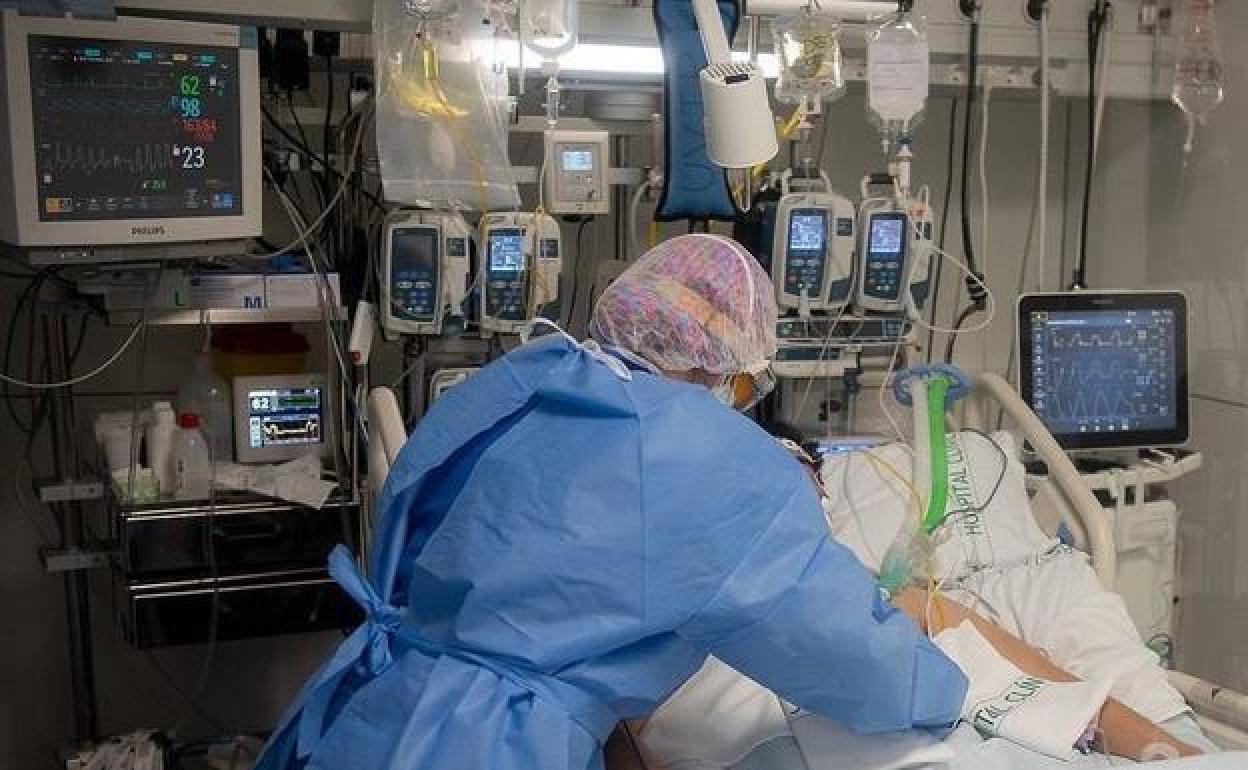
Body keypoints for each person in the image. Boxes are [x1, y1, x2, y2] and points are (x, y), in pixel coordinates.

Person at [254, 234, 968, 770]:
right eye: (744, 385)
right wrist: (941, 691)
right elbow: (842, 646)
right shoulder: (713, 458)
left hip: (372, 706)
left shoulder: (531, 375)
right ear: (705, 364)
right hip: (486, 745)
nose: (739, 406)